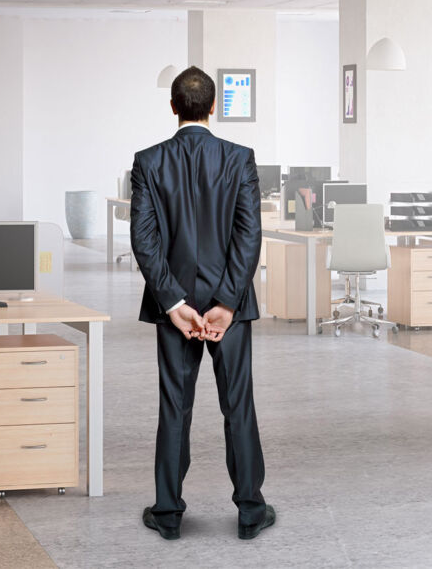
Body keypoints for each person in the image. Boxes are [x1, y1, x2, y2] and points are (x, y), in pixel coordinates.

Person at [130, 66, 274, 541]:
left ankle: (168, 514)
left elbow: (144, 241)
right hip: (227, 304)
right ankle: (251, 511)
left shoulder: (149, 162)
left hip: (175, 308)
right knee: (239, 404)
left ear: (173, 107)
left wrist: (173, 302)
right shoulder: (239, 159)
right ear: (214, 107)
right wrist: (228, 303)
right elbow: (248, 236)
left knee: (175, 405)